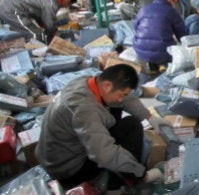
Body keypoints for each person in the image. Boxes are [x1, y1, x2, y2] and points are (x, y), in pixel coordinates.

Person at [36, 64, 169, 191]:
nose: (121, 99)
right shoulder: (85, 110)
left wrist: (149, 117)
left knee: (115, 106)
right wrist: (140, 173)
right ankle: (119, 184)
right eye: (122, 94)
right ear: (107, 85)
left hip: (53, 156)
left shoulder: (86, 82)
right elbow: (104, 154)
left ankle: (123, 173)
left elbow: (126, 99)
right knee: (132, 125)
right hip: (68, 170)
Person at [133, 0, 187, 72]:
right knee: (169, 47)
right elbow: (182, 33)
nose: (174, 4)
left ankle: (152, 64)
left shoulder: (144, 9)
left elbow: (135, 27)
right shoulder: (172, 11)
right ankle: (163, 64)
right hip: (163, 53)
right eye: (174, 1)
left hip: (140, 51)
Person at [0, 0, 76, 42]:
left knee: (34, 32)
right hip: (11, 8)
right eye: (68, 4)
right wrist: (53, 33)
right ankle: (37, 57)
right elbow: (49, 23)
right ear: (67, 0)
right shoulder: (53, 3)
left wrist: (45, 26)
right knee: (35, 34)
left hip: (9, 3)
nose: (66, 7)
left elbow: (40, 18)